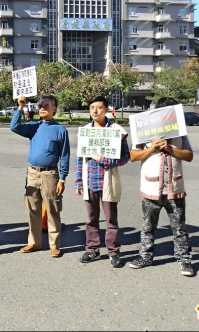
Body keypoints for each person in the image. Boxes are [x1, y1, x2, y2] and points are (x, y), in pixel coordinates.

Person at [127, 97, 195, 276]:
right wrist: (151, 148)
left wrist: (171, 149)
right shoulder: (145, 131)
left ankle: (184, 259)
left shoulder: (180, 132)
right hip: (151, 188)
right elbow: (133, 156)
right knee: (148, 226)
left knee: (179, 227)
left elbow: (189, 155)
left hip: (175, 188)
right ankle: (146, 256)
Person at [10, 94, 70, 258]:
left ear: (54, 109)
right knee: (32, 208)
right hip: (32, 173)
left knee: (52, 209)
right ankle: (34, 243)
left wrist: (62, 178)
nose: (42, 108)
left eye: (46, 106)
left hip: (50, 174)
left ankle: (54, 245)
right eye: (40, 106)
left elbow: (64, 156)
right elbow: (14, 127)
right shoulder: (34, 126)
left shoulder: (60, 130)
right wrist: (20, 108)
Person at [75, 95, 130, 268]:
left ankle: (113, 252)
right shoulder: (85, 130)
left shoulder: (116, 130)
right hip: (90, 181)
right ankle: (92, 249)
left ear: (106, 109)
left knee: (111, 220)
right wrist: (78, 182)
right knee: (91, 219)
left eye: (99, 107)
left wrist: (104, 160)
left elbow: (125, 157)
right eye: (92, 107)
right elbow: (79, 159)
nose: (95, 111)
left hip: (107, 182)